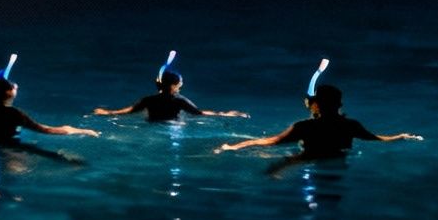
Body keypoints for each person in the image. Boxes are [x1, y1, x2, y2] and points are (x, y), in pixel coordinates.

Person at [216, 59, 421, 159]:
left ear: (315, 105)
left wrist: (233, 147)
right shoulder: (350, 126)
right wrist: (401, 136)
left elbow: (268, 141)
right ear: (340, 105)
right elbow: (378, 139)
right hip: (338, 166)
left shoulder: (305, 127)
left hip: (308, 162)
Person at [91, 52, 249, 123]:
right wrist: (226, 114)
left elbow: (128, 112)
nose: (182, 85)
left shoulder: (149, 100)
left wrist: (107, 113)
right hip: (172, 128)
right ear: (174, 85)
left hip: (151, 126)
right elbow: (200, 114)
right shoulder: (179, 101)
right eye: (180, 83)